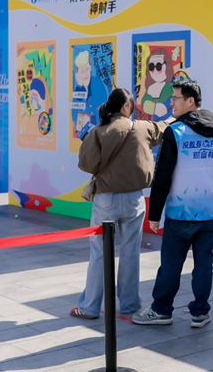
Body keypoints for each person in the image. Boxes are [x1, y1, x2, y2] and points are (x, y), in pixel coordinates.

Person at [133, 80, 213, 329]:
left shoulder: (175, 132)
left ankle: (161, 310)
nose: (171, 103)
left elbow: (162, 176)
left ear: (190, 101)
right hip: (210, 211)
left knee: (172, 265)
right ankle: (200, 313)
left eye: (175, 98)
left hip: (181, 212)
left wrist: (154, 214)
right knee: (204, 265)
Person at [70, 88, 169, 320]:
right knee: (131, 251)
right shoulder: (142, 128)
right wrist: (179, 112)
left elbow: (85, 164)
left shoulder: (98, 132)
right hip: (135, 199)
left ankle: (90, 307)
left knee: (99, 252)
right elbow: (164, 127)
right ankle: (129, 304)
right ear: (126, 107)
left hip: (106, 199)